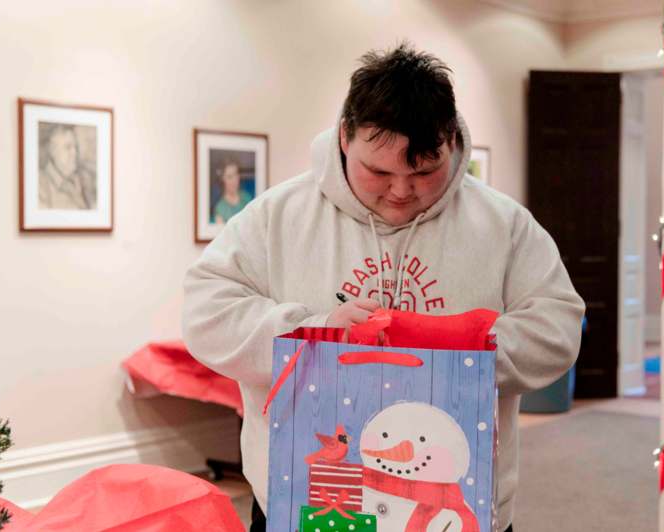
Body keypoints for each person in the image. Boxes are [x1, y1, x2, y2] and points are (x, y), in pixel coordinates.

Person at [182, 43, 585, 532]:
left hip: (459, 511)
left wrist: (464, 344)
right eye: (378, 171)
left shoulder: (504, 224)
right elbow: (205, 315)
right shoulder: (277, 215)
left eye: (424, 172)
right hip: (306, 504)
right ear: (345, 137)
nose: (400, 190)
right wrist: (315, 331)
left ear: (452, 141)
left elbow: (560, 329)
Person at [38, 124, 96, 210]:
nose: (75, 153)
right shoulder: (40, 184)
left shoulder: (86, 178)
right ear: (53, 151)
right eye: (68, 147)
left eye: (75, 147)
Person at [212, 159, 252, 224]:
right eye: (229, 177)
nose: (234, 180)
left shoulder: (247, 197)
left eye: (236, 174)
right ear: (222, 180)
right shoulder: (220, 208)